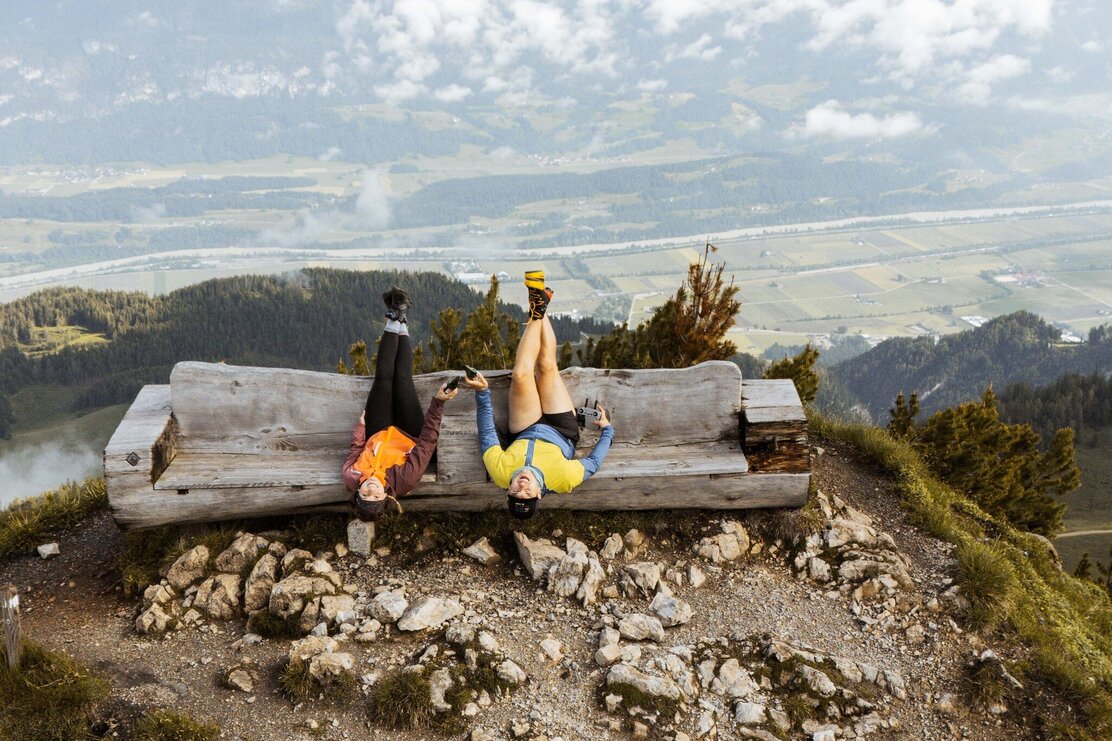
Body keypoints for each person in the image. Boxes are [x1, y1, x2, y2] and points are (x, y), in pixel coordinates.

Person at [463, 270, 613, 519]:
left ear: (506, 490)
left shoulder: (499, 472)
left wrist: (482, 393)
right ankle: (538, 302)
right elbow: (594, 463)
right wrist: (608, 430)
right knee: (546, 367)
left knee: (521, 374)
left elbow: (488, 433)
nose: (522, 487)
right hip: (561, 431)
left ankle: (539, 303)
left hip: (524, 428)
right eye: (527, 494)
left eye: (515, 493)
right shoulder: (564, 480)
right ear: (539, 494)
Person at [343, 287, 457, 521]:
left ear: (357, 493)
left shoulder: (351, 477)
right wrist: (438, 403)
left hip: (377, 432)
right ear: (386, 496)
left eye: (365, 495)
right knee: (402, 378)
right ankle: (400, 317)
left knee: (384, 377)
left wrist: (360, 430)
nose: (371, 490)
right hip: (409, 434)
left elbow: (355, 452)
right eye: (376, 497)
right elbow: (427, 444)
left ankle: (396, 313)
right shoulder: (406, 479)